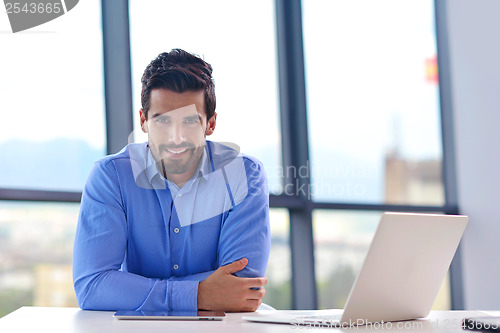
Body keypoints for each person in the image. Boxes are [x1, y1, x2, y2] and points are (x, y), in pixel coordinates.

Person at [72, 49, 270, 312]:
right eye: (162, 120)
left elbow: (241, 287)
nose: (176, 137)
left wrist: (132, 289)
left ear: (210, 124)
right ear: (143, 121)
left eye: (189, 121)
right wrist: (198, 294)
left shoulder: (244, 175)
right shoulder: (112, 177)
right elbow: (93, 287)